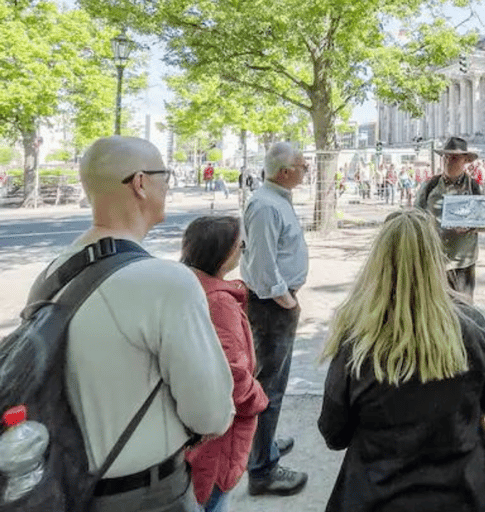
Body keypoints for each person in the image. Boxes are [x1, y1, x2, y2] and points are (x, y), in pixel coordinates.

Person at [57, 136, 235, 512]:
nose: (168, 186)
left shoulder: (56, 272)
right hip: (144, 494)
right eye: (164, 176)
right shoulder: (165, 281)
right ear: (140, 183)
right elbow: (212, 414)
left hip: (65, 485)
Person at [318, 209, 485, 512]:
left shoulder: (356, 339)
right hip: (463, 492)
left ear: (378, 261)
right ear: (436, 257)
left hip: (379, 494)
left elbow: (334, 432)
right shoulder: (472, 325)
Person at [181, 216, 270, 512]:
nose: (243, 249)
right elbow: (231, 372)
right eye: (240, 245)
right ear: (223, 253)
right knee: (214, 500)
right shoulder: (219, 302)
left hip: (197, 434)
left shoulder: (190, 287)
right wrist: (256, 399)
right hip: (219, 440)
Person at [240, 141, 309, 496]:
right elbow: (264, 267)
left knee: (272, 383)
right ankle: (262, 470)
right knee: (270, 386)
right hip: (272, 306)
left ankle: (263, 447)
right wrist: (286, 300)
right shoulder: (267, 206)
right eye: (302, 165)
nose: (306, 169)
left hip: (274, 304)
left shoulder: (274, 200)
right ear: (285, 172)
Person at [415, 136, 485, 300]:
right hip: (433, 261)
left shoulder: (474, 187)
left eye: (454, 157)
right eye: (446, 156)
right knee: (434, 313)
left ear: (466, 160)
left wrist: (471, 227)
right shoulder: (430, 185)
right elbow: (415, 217)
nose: (448, 161)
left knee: (463, 314)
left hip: (462, 264)